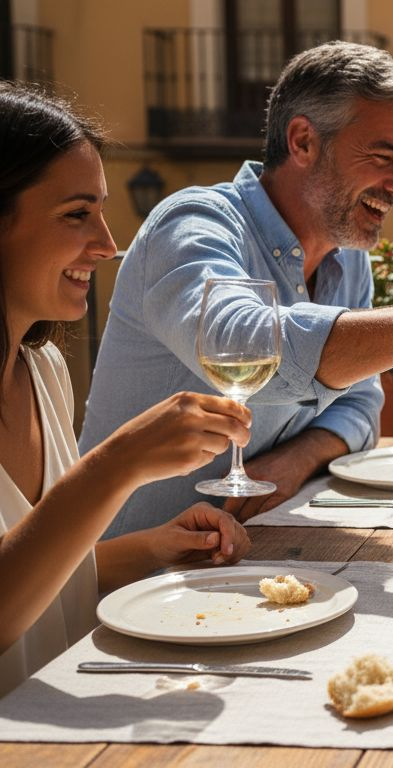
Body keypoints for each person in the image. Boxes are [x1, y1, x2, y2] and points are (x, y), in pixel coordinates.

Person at [82, 42, 393, 535]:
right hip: (124, 575)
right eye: (383, 157)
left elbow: (360, 403)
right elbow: (240, 346)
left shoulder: (348, 259)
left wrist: (296, 459)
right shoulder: (193, 223)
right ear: (303, 142)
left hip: (249, 556)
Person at [0, 84, 253, 696]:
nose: (109, 244)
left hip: (63, 720)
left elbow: (37, 575)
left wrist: (154, 551)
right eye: (76, 214)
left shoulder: (44, 371)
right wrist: (120, 461)